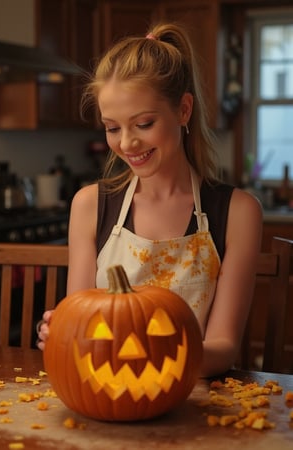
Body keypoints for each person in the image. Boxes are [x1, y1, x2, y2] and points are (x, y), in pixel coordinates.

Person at [37, 22, 263, 378]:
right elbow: (80, 324)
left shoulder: (238, 212)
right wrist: (62, 333)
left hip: (197, 401)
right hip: (110, 389)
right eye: (113, 128)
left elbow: (222, 347)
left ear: (184, 110)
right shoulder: (89, 206)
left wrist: (148, 359)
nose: (126, 143)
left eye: (143, 124)